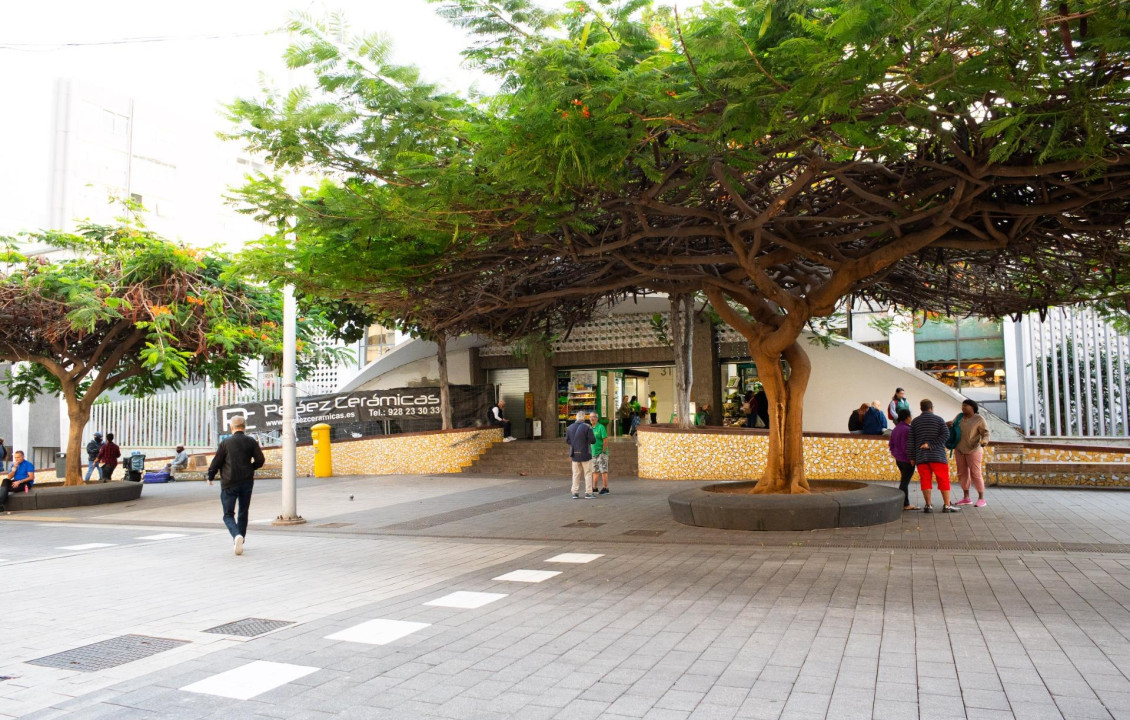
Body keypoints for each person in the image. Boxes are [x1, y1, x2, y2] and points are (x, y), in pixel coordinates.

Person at [207, 415, 265, 555]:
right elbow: (260, 460)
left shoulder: (226, 442)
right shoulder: (251, 441)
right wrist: (251, 468)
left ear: (231, 427)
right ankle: (241, 539)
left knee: (228, 514)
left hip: (229, 483)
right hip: (246, 482)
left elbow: (217, 462)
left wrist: (210, 476)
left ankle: (236, 535)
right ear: (244, 426)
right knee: (243, 512)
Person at [907, 399, 960, 513]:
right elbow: (946, 434)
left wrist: (912, 457)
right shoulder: (939, 420)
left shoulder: (915, 422)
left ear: (921, 408)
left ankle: (928, 505)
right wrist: (931, 445)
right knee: (943, 479)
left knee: (925, 480)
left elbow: (910, 440)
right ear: (931, 408)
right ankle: (946, 505)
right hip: (938, 456)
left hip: (921, 457)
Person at [951, 399, 991, 507]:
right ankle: (966, 497)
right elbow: (953, 427)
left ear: (972, 407)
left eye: (965, 406)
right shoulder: (959, 417)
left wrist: (984, 441)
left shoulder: (979, 419)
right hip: (959, 450)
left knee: (976, 474)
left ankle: (981, 498)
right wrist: (948, 424)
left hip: (974, 450)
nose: (963, 408)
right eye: (962, 406)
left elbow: (986, 433)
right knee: (962, 474)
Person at [888, 409, 917, 511]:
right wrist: (912, 458)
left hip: (899, 459)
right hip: (907, 460)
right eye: (910, 416)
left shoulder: (896, 429)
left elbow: (891, 444)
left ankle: (904, 503)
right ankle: (905, 504)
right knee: (904, 482)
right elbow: (907, 446)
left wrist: (895, 454)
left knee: (904, 481)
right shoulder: (907, 430)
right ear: (907, 417)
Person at [565, 410, 596, 499]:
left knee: (576, 474)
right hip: (586, 453)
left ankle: (575, 492)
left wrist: (574, 445)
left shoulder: (570, 427)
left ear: (576, 417)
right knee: (588, 473)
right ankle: (589, 493)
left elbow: (567, 440)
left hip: (574, 454)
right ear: (584, 418)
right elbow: (593, 440)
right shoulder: (587, 427)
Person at [589, 412, 610, 494]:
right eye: (590, 417)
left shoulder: (601, 427)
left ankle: (605, 488)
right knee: (594, 471)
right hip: (593, 453)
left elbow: (605, 440)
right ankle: (594, 488)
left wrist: (603, 452)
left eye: (593, 417)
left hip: (601, 453)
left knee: (603, 470)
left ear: (597, 418)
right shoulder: (590, 428)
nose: (591, 418)